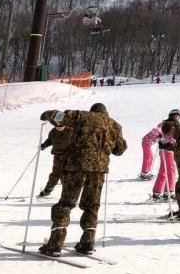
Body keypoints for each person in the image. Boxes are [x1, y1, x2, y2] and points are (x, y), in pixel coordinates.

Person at [38, 103, 126, 256]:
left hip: (75, 166)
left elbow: (60, 117)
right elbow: (119, 150)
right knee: (92, 205)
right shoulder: (115, 125)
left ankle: (55, 245)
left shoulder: (83, 116)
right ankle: (87, 243)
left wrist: (48, 114)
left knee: (66, 203)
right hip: (98, 170)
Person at [37, 121, 73, 197]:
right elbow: (50, 140)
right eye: (57, 126)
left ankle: (67, 193)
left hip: (69, 157)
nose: (58, 128)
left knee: (66, 176)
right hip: (57, 156)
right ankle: (48, 190)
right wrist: (44, 145)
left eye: (60, 126)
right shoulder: (53, 131)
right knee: (55, 174)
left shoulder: (71, 130)